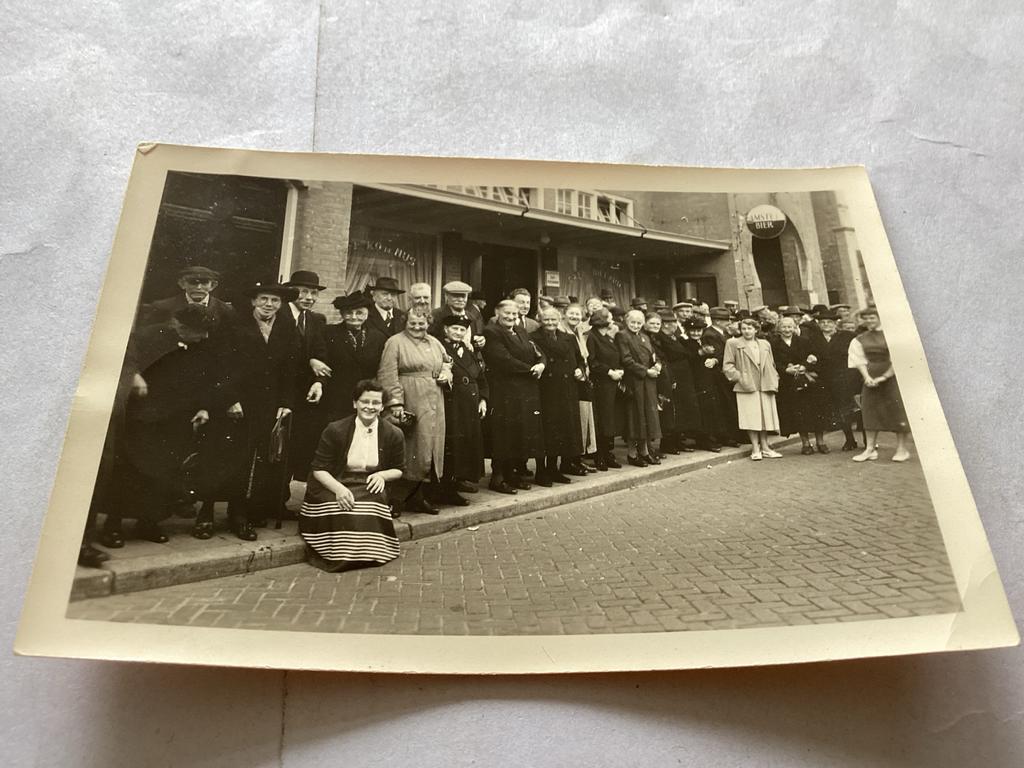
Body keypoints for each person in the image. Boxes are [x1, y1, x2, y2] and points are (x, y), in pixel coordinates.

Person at [97, 304, 221, 548]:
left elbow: (208, 379)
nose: (204, 336)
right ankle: (113, 525)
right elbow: (122, 357)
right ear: (183, 327)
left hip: (176, 420)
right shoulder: (149, 336)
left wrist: (204, 407)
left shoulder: (201, 346)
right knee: (131, 470)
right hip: (143, 418)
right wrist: (134, 374)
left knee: (164, 471)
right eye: (200, 331)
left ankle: (149, 522)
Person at [196, 282, 298, 541]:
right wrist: (229, 399)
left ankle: (238, 514)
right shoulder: (233, 325)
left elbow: (290, 369)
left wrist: (285, 402)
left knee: (252, 461)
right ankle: (206, 513)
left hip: (266, 406)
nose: (269, 305)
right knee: (220, 456)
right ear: (253, 301)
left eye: (275, 301)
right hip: (234, 405)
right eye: (264, 299)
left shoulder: (286, 329)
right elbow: (219, 365)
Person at [299, 379, 405, 572]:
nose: (370, 407)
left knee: (373, 502)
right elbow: (319, 468)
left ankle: (370, 552)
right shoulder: (335, 430)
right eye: (365, 401)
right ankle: (338, 556)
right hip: (333, 481)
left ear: (382, 407)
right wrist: (339, 489)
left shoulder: (393, 433)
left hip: (366, 482)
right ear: (355, 403)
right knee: (340, 506)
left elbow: (399, 469)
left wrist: (382, 475)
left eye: (375, 403)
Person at [376, 309, 452, 514]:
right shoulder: (395, 342)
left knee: (429, 449)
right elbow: (387, 374)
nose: (418, 328)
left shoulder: (435, 342)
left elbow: (447, 361)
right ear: (405, 323)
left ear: (428, 323)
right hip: (410, 400)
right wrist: (395, 403)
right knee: (410, 449)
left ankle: (417, 497)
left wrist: (446, 373)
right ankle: (396, 499)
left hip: (434, 401)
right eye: (413, 324)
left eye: (422, 323)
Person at [481, 299, 546, 493]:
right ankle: (498, 477)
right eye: (506, 313)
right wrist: (531, 370)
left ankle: (512, 475)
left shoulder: (521, 331)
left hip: (525, 391)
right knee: (504, 433)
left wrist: (542, 363)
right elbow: (503, 360)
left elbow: (537, 352)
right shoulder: (491, 332)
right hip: (505, 391)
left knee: (519, 432)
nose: (510, 317)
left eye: (514, 314)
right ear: (497, 313)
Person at [280, 270, 331, 485]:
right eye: (303, 292)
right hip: (279, 392)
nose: (309, 298)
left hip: (304, 395)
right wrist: (308, 360)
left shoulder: (315, 319)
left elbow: (321, 355)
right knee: (275, 448)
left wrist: (319, 381)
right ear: (292, 292)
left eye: (313, 293)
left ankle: (281, 502)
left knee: (296, 447)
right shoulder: (278, 314)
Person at [848, 307, 911, 462]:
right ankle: (870, 449)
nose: (869, 321)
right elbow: (859, 360)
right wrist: (867, 377)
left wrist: (884, 377)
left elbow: (898, 358)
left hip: (892, 377)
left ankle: (902, 449)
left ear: (880, 318)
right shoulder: (860, 339)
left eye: (873, 318)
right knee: (870, 412)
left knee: (898, 412)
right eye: (866, 318)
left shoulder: (893, 336)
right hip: (871, 378)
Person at [437, 315, 488, 504]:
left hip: (470, 403)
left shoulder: (468, 350)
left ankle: (460, 479)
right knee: (453, 444)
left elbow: (481, 376)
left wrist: (483, 399)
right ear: (446, 330)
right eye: (454, 329)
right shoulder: (441, 349)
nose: (458, 333)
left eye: (461, 330)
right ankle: (447, 489)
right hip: (453, 403)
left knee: (467, 442)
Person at [531, 308, 585, 483]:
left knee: (560, 431)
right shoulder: (533, 337)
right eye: (546, 320)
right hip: (545, 389)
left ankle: (553, 469)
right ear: (540, 320)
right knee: (545, 431)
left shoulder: (568, 338)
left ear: (559, 319)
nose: (550, 323)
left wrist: (580, 370)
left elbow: (580, 360)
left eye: (554, 320)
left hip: (567, 389)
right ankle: (541, 472)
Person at [772, 316, 833, 455]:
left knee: (816, 412)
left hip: (807, 380)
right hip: (789, 382)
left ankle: (820, 442)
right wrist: (785, 369)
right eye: (784, 327)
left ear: (794, 328)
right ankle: (805, 443)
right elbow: (773, 361)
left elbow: (814, 356)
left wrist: (804, 366)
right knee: (798, 413)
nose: (787, 329)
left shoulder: (804, 341)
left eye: (790, 327)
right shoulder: (774, 343)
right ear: (779, 328)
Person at [723, 318, 782, 461]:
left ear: (756, 330)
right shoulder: (733, 343)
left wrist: (773, 377)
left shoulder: (764, 343)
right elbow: (727, 366)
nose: (746, 331)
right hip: (747, 386)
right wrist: (741, 378)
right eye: (743, 328)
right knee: (751, 417)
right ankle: (755, 448)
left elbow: (771, 363)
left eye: (750, 328)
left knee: (765, 417)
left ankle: (766, 447)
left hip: (765, 384)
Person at [323, 292, 388, 420]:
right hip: (335, 398)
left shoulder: (378, 337)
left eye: (359, 313)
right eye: (348, 312)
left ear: (367, 313)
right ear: (342, 314)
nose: (354, 317)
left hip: (366, 399)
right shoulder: (329, 333)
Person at [616, 309, 661, 466]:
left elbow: (653, 356)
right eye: (632, 322)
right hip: (634, 381)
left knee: (647, 416)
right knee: (635, 417)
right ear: (626, 322)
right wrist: (646, 371)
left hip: (648, 382)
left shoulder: (644, 337)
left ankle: (644, 451)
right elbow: (626, 359)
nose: (635, 325)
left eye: (639, 323)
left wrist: (657, 366)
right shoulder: (622, 336)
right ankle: (632, 453)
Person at [136, 265, 236, 330]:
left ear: (213, 285)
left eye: (204, 282)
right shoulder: (163, 306)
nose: (198, 287)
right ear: (182, 284)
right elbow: (147, 335)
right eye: (193, 282)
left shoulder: (225, 310)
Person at [814, 308, 860, 451]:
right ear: (819, 324)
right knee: (841, 411)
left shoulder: (847, 336)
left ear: (835, 323)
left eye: (829, 322)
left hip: (847, 377)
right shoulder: (814, 339)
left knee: (856, 409)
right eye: (822, 322)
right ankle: (850, 439)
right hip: (827, 380)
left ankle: (867, 439)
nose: (826, 325)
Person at [585, 308, 624, 471]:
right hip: (601, 385)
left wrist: (619, 370)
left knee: (610, 420)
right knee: (602, 420)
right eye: (610, 317)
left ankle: (608, 454)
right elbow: (592, 362)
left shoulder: (607, 337)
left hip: (612, 384)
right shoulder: (592, 337)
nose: (613, 320)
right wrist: (609, 372)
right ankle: (599, 456)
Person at [654, 312, 698, 453]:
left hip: (683, 377)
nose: (676, 326)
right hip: (675, 376)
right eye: (673, 323)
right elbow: (675, 353)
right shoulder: (661, 338)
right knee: (673, 410)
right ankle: (668, 443)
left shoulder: (674, 337)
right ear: (666, 324)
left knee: (681, 411)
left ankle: (677, 440)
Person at [563, 303, 598, 471]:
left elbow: (582, 358)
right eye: (571, 314)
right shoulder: (563, 331)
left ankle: (577, 459)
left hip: (581, 380)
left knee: (581, 420)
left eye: (578, 315)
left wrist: (583, 370)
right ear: (564, 314)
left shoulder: (578, 332)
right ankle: (569, 461)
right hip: (569, 382)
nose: (575, 317)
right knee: (571, 422)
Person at [683, 318, 727, 452]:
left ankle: (713, 436)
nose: (696, 333)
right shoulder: (686, 343)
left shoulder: (704, 341)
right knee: (703, 410)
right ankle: (704, 440)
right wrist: (700, 353)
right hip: (696, 380)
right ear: (688, 331)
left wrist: (714, 359)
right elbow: (688, 357)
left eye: (698, 330)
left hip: (708, 379)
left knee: (711, 408)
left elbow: (717, 354)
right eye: (693, 331)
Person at [702, 307, 740, 447]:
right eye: (726, 320)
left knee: (728, 403)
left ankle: (731, 435)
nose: (729, 323)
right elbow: (719, 353)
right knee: (724, 404)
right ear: (717, 321)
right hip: (717, 375)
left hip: (725, 373)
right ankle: (726, 436)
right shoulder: (710, 334)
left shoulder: (723, 333)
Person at [429, 280, 486, 348]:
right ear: (446, 296)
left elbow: (472, 342)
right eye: (456, 296)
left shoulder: (471, 317)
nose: (460, 300)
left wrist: (479, 342)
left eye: (463, 296)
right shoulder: (436, 315)